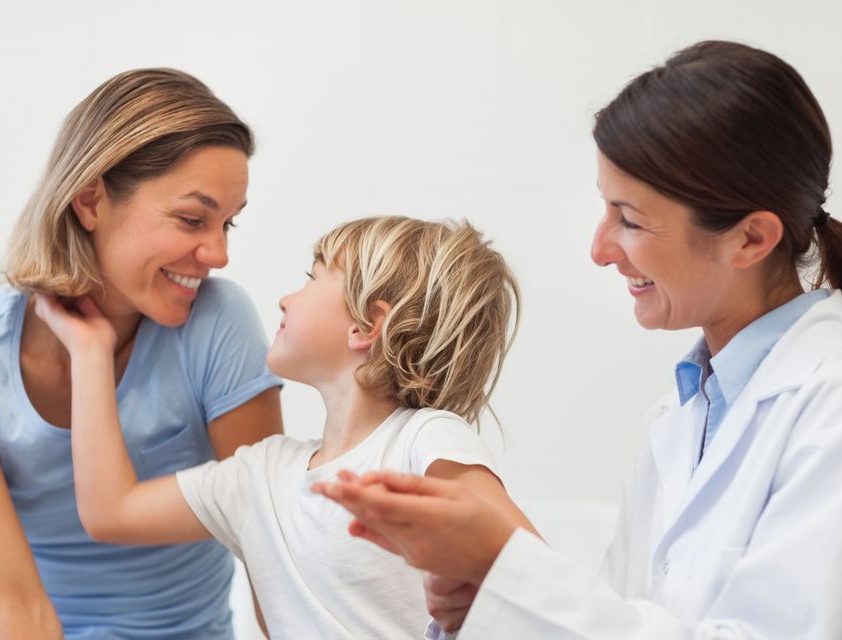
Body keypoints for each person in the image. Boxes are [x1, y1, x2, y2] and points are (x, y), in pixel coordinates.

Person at [314, 40, 842, 639]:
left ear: (750, 239)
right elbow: (625, 619)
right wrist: (490, 601)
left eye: (630, 220)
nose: (600, 249)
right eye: (605, 209)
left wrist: (511, 568)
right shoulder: (685, 412)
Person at [33, 215, 538, 639]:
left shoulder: (422, 439)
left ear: (366, 326)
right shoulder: (259, 475)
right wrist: (91, 352)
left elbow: (533, 575)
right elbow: (110, 512)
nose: (286, 300)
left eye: (312, 278)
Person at [0, 68, 283, 639]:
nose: (217, 254)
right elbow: (15, 604)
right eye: (193, 219)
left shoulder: (218, 321)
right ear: (90, 200)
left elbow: (272, 550)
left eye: (227, 224)